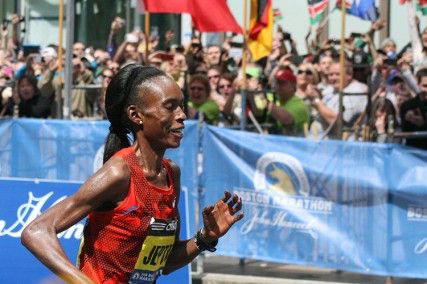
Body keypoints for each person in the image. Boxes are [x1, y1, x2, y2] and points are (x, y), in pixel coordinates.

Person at [21, 65, 244, 283]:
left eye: (182, 106)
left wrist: (205, 237)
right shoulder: (119, 172)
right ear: (136, 115)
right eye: (170, 107)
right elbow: (37, 231)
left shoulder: (170, 173)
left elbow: (164, 263)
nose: (182, 115)